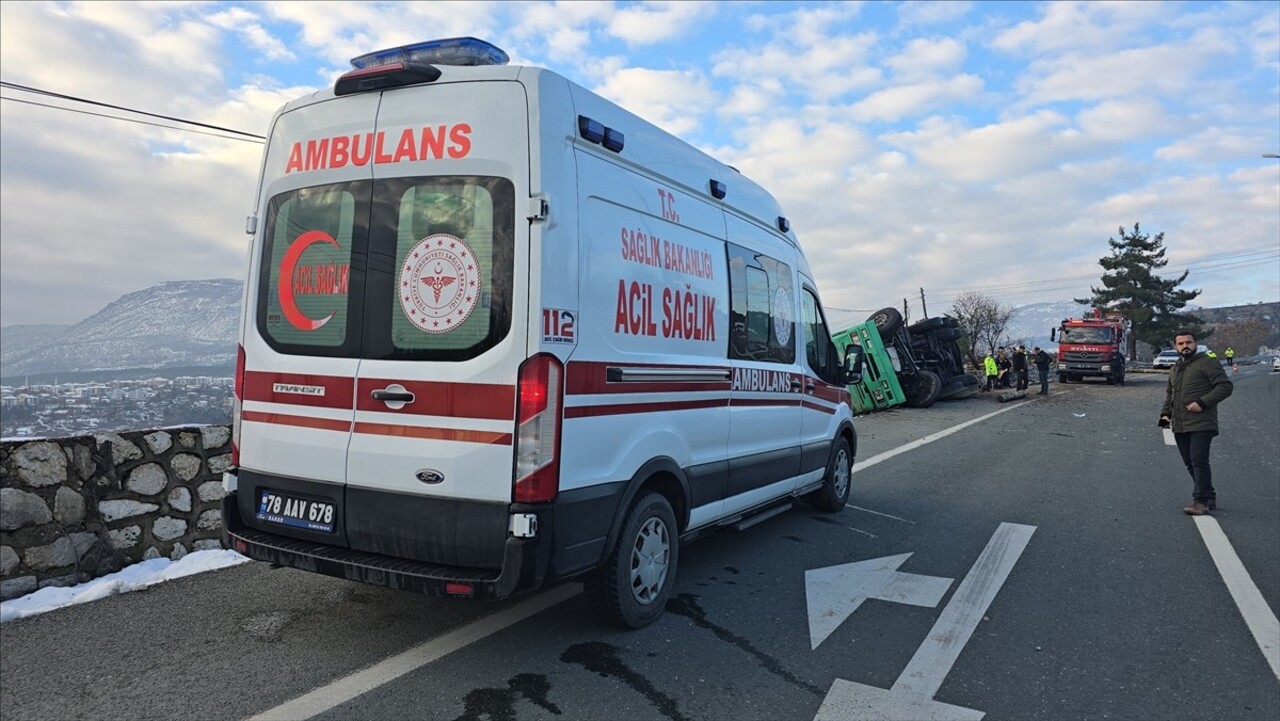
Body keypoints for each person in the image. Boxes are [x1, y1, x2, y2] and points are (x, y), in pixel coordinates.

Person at [1159, 330, 1233, 516]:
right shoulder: (1176, 368)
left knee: (1199, 461)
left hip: (1202, 422)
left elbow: (1225, 386)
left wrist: (1202, 403)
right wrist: (1165, 414)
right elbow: (1171, 394)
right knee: (1190, 463)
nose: (1185, 346)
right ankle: (1209, 496)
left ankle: (1200, 502)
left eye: (1188, 342)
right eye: (1181, 343)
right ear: (1175, 346)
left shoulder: (1207, 362)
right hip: (1180, 423)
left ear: (1195, 343)